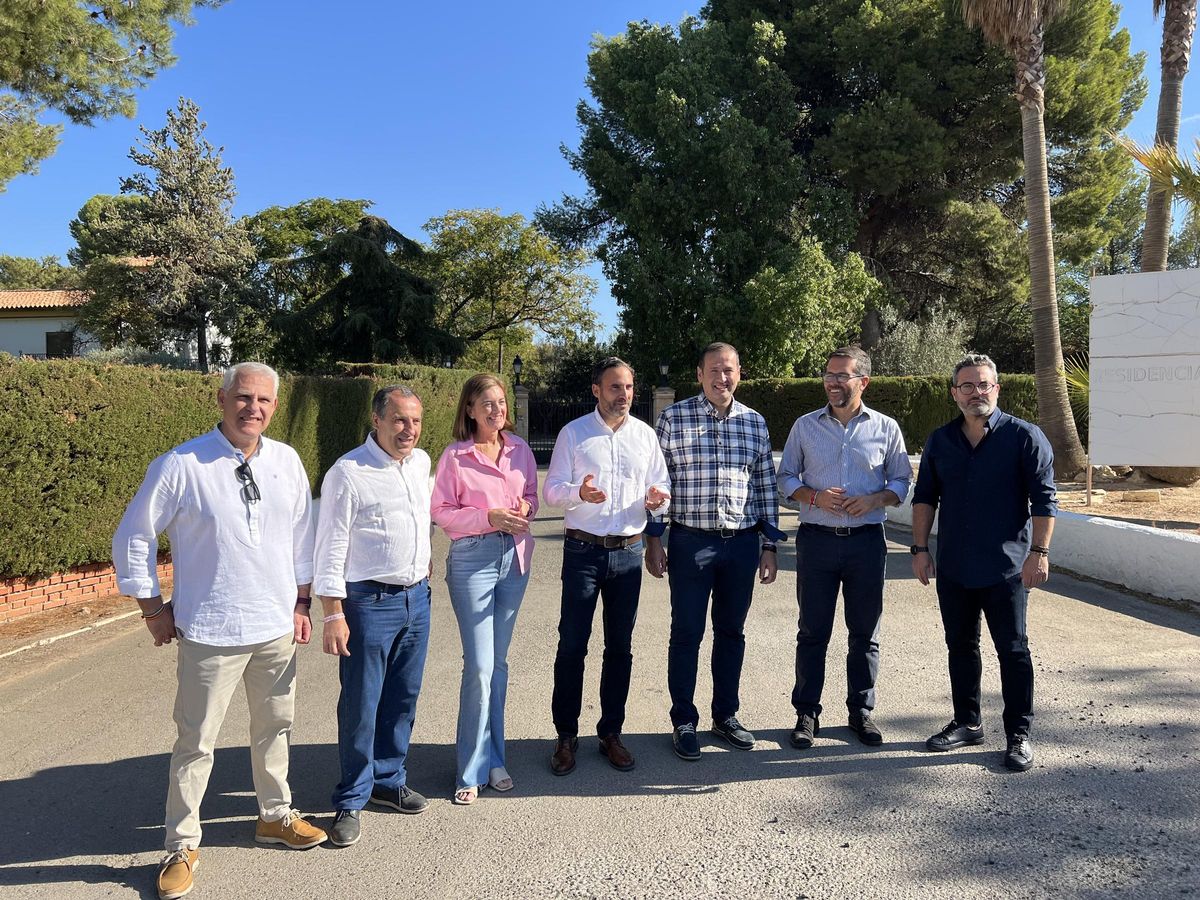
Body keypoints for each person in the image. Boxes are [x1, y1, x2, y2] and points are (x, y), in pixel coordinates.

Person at [113, 362, 326, 900]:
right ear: (221, 398)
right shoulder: (182, 464)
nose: (253, 408)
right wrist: (151, 607)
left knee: (275, 727)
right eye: (243, 397)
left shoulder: (287, 460)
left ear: (274, 407)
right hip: (210, 629)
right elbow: (135, 534)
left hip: (275, 625)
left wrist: (303, 603)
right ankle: (181, 844)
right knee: (196, 741)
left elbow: (303, 537)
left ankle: (274, 816)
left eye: (265, 401)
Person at [911, 353, 1056, 773]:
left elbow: (1044, 500)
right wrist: (920, 549)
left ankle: (1019, 734)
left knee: (1013, 650)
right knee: (960, 646)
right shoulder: (941, 440)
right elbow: (925, 498)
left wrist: (1039, 553)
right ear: (955, 393)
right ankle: (967, 722)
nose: (977, 393)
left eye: (984, 385)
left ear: (997, 388)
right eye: (968, 386)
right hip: (954, 566)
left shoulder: (1025, 437)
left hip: (1006, 568)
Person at [313, 385, 433, 847]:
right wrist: (332, 613)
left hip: (415, 599)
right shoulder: (348, 472)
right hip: (368, 603)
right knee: (362, 704)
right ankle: (351, 797)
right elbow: (331, 545)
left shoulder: (421, 464)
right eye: (400, 420)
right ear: (377, 419)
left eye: (416, 422)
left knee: (403, 698)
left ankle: (388, 780)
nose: (409, 430)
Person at [648, 342, 780, 761]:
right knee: (686, 634)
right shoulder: (673, 418)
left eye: (729, 371)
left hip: (740, 545)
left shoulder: (755, 423)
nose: (722, 379)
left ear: (739, 373)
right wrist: (655, 538)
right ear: (700, 374)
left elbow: (764, 486)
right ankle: (683, 720)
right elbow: (659, 484)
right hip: (691, 543)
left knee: (731, 633)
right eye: (714, 371)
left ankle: (725, 716)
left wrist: (769, 544)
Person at [777, 347, 911, 750]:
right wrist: (814, 497)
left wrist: (874, 500)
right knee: (812, 632)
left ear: (863, 382)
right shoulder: (805, 426)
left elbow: (903, 482)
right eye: (829, 375)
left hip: (867, 543)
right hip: (816, 541)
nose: (833, 382)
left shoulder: (886, 428)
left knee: (865, 634)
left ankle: (861, 712)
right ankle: (806, 713)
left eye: (843, 376)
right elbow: (784, 478)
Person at [542, 358, 671, 775]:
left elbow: (662, 485)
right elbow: (552, 491)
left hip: (628, 553)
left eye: (630, 387)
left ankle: (610, 733)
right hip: (583, 552)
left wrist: (657, 499)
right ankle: (565, 735)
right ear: (596, 390)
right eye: (616, 387)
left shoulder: (645, 436)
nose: (624, 395)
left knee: (620, 647)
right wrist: (578, 493)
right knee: (572, 645)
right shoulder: (574, 433)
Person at [431, 373, 539, 805]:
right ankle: (470, 767)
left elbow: (531, 493)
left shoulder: (521, 450)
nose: (497, 410)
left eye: (501, 402)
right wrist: (487, 518)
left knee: (497, 664)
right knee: (478, 666)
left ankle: (496, 758)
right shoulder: (456, 457)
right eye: (487, 404)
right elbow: (441, 511)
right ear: (470, 411)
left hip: (515, 560)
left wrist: (525, 506)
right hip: (472, 561)